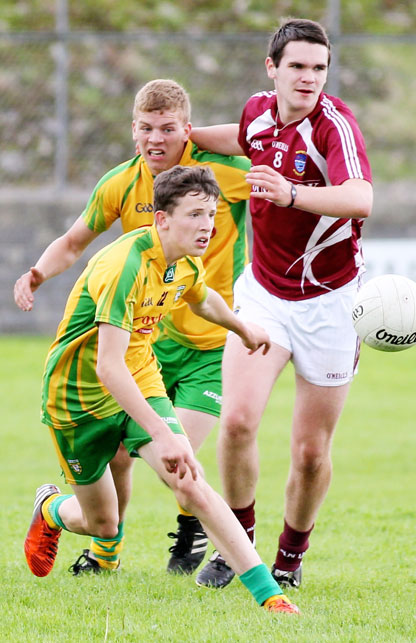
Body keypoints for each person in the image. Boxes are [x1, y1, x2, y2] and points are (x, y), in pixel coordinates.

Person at [23, 165, 299, 615]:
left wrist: (242, 328)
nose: (207, 225)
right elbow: (108, 367)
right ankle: (53, 509)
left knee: (189, 481)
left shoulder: (185, 260)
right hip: (77, 398)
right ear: (162, 219)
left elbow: (202, 295)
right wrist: (164, 432)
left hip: (141, 380)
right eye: (194, 214)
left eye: (210, 214)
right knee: (101, 521)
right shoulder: (124, 266)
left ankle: (271, 596)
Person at [14, 79, 251, 575]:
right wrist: (37, 272)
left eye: (168, 129)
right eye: (146, 128)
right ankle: (105, 550)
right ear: (133, 130)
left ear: (188, 130)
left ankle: (193, 538)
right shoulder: (121, 182)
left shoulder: (226, 174)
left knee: (176, 461)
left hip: (211, 346)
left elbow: (268, 138)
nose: (155, 139)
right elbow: (75, 241)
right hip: (147, 342)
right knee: (121, 452)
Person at [190, 18, 373, 589]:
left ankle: (289, 559)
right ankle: (237, 543)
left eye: (319, 68)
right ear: (272, 69)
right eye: (297, 66)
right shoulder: (258, 111)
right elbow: (240, 137)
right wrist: (188, 137)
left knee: (311, 454)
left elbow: (360, 198)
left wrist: (291, 194)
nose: (309, 78)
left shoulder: (334, 127)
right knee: (239, 422)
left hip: (330, 304)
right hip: (263, 295)